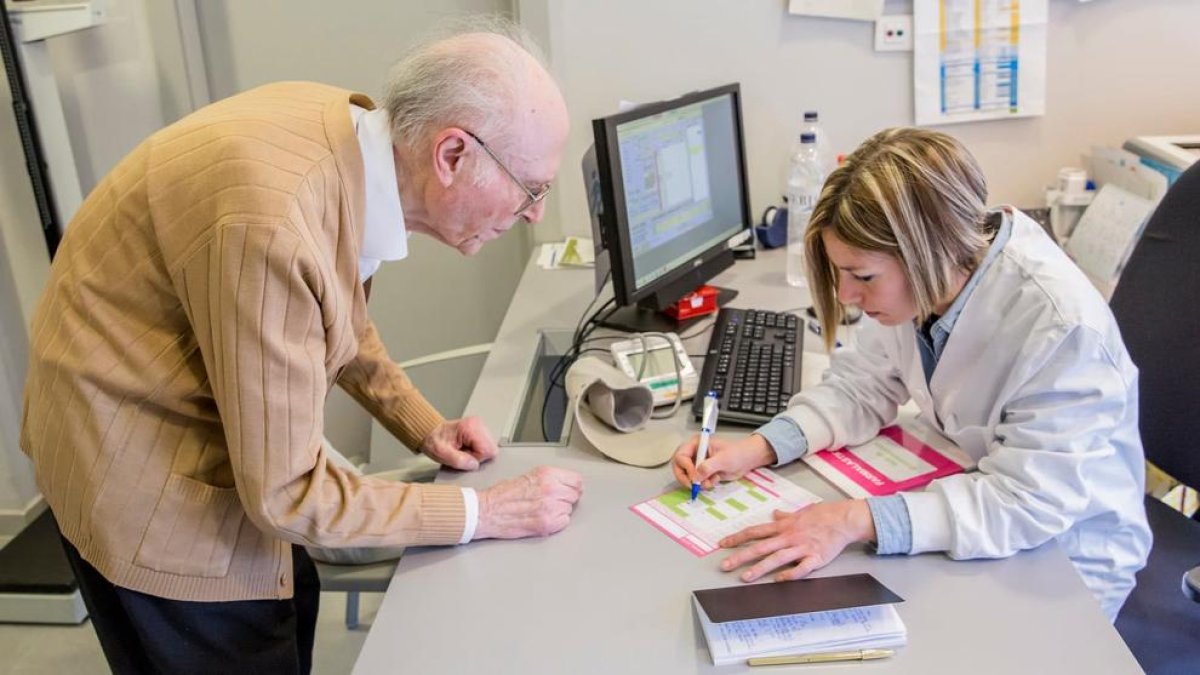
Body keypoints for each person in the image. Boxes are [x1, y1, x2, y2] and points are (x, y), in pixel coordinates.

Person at [20, 23, 582, 674]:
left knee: (293, 598)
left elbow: (327, 306)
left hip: (165, 405)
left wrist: (424, 426)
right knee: (244, 643)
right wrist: (481, 510)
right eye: (532, 188)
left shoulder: (353, 138)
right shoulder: (276, 223)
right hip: (130, 466)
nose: (535, 212)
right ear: (451, 155)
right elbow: (287, 494)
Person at [673, 127, 1151, 621]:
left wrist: (852, 519)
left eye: (863, 276)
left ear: (930, 251)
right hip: (975, 493)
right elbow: (865, 383)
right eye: (841, 274)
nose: (845, 297)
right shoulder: (933, 280)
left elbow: (1026, 501)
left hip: (1064, 558)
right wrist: (759, 447)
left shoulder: (1062, 328)